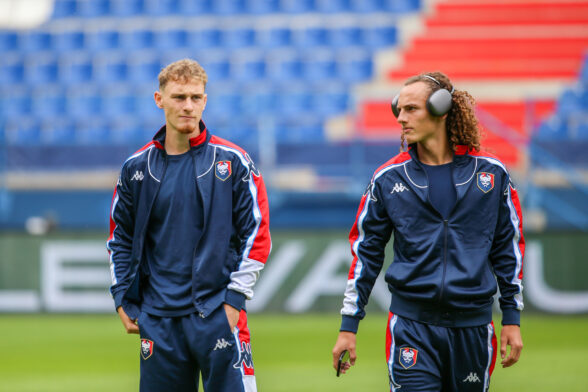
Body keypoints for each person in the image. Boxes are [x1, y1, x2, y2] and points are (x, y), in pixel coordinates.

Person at [331, 72, 524, 391]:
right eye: (399, 110)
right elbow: (365, 255)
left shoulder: (492, 174)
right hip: (411, 328)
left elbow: (509, 249)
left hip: (474, 328)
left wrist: (512, 319)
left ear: (440, 109)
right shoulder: (387, 178)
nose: (401, 118)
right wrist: (348, 326)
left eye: (411, 109)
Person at [106, 59, 271, 392]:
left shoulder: (233, 162)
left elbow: (258, 234)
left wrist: (233, 302)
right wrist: (123, 297)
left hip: (217, 316)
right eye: (179, 97)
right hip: (159, 322)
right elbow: (119, 239)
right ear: (159, 99)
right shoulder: (136, 169)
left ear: (205, 101)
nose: (188, 106)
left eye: (196, 98)